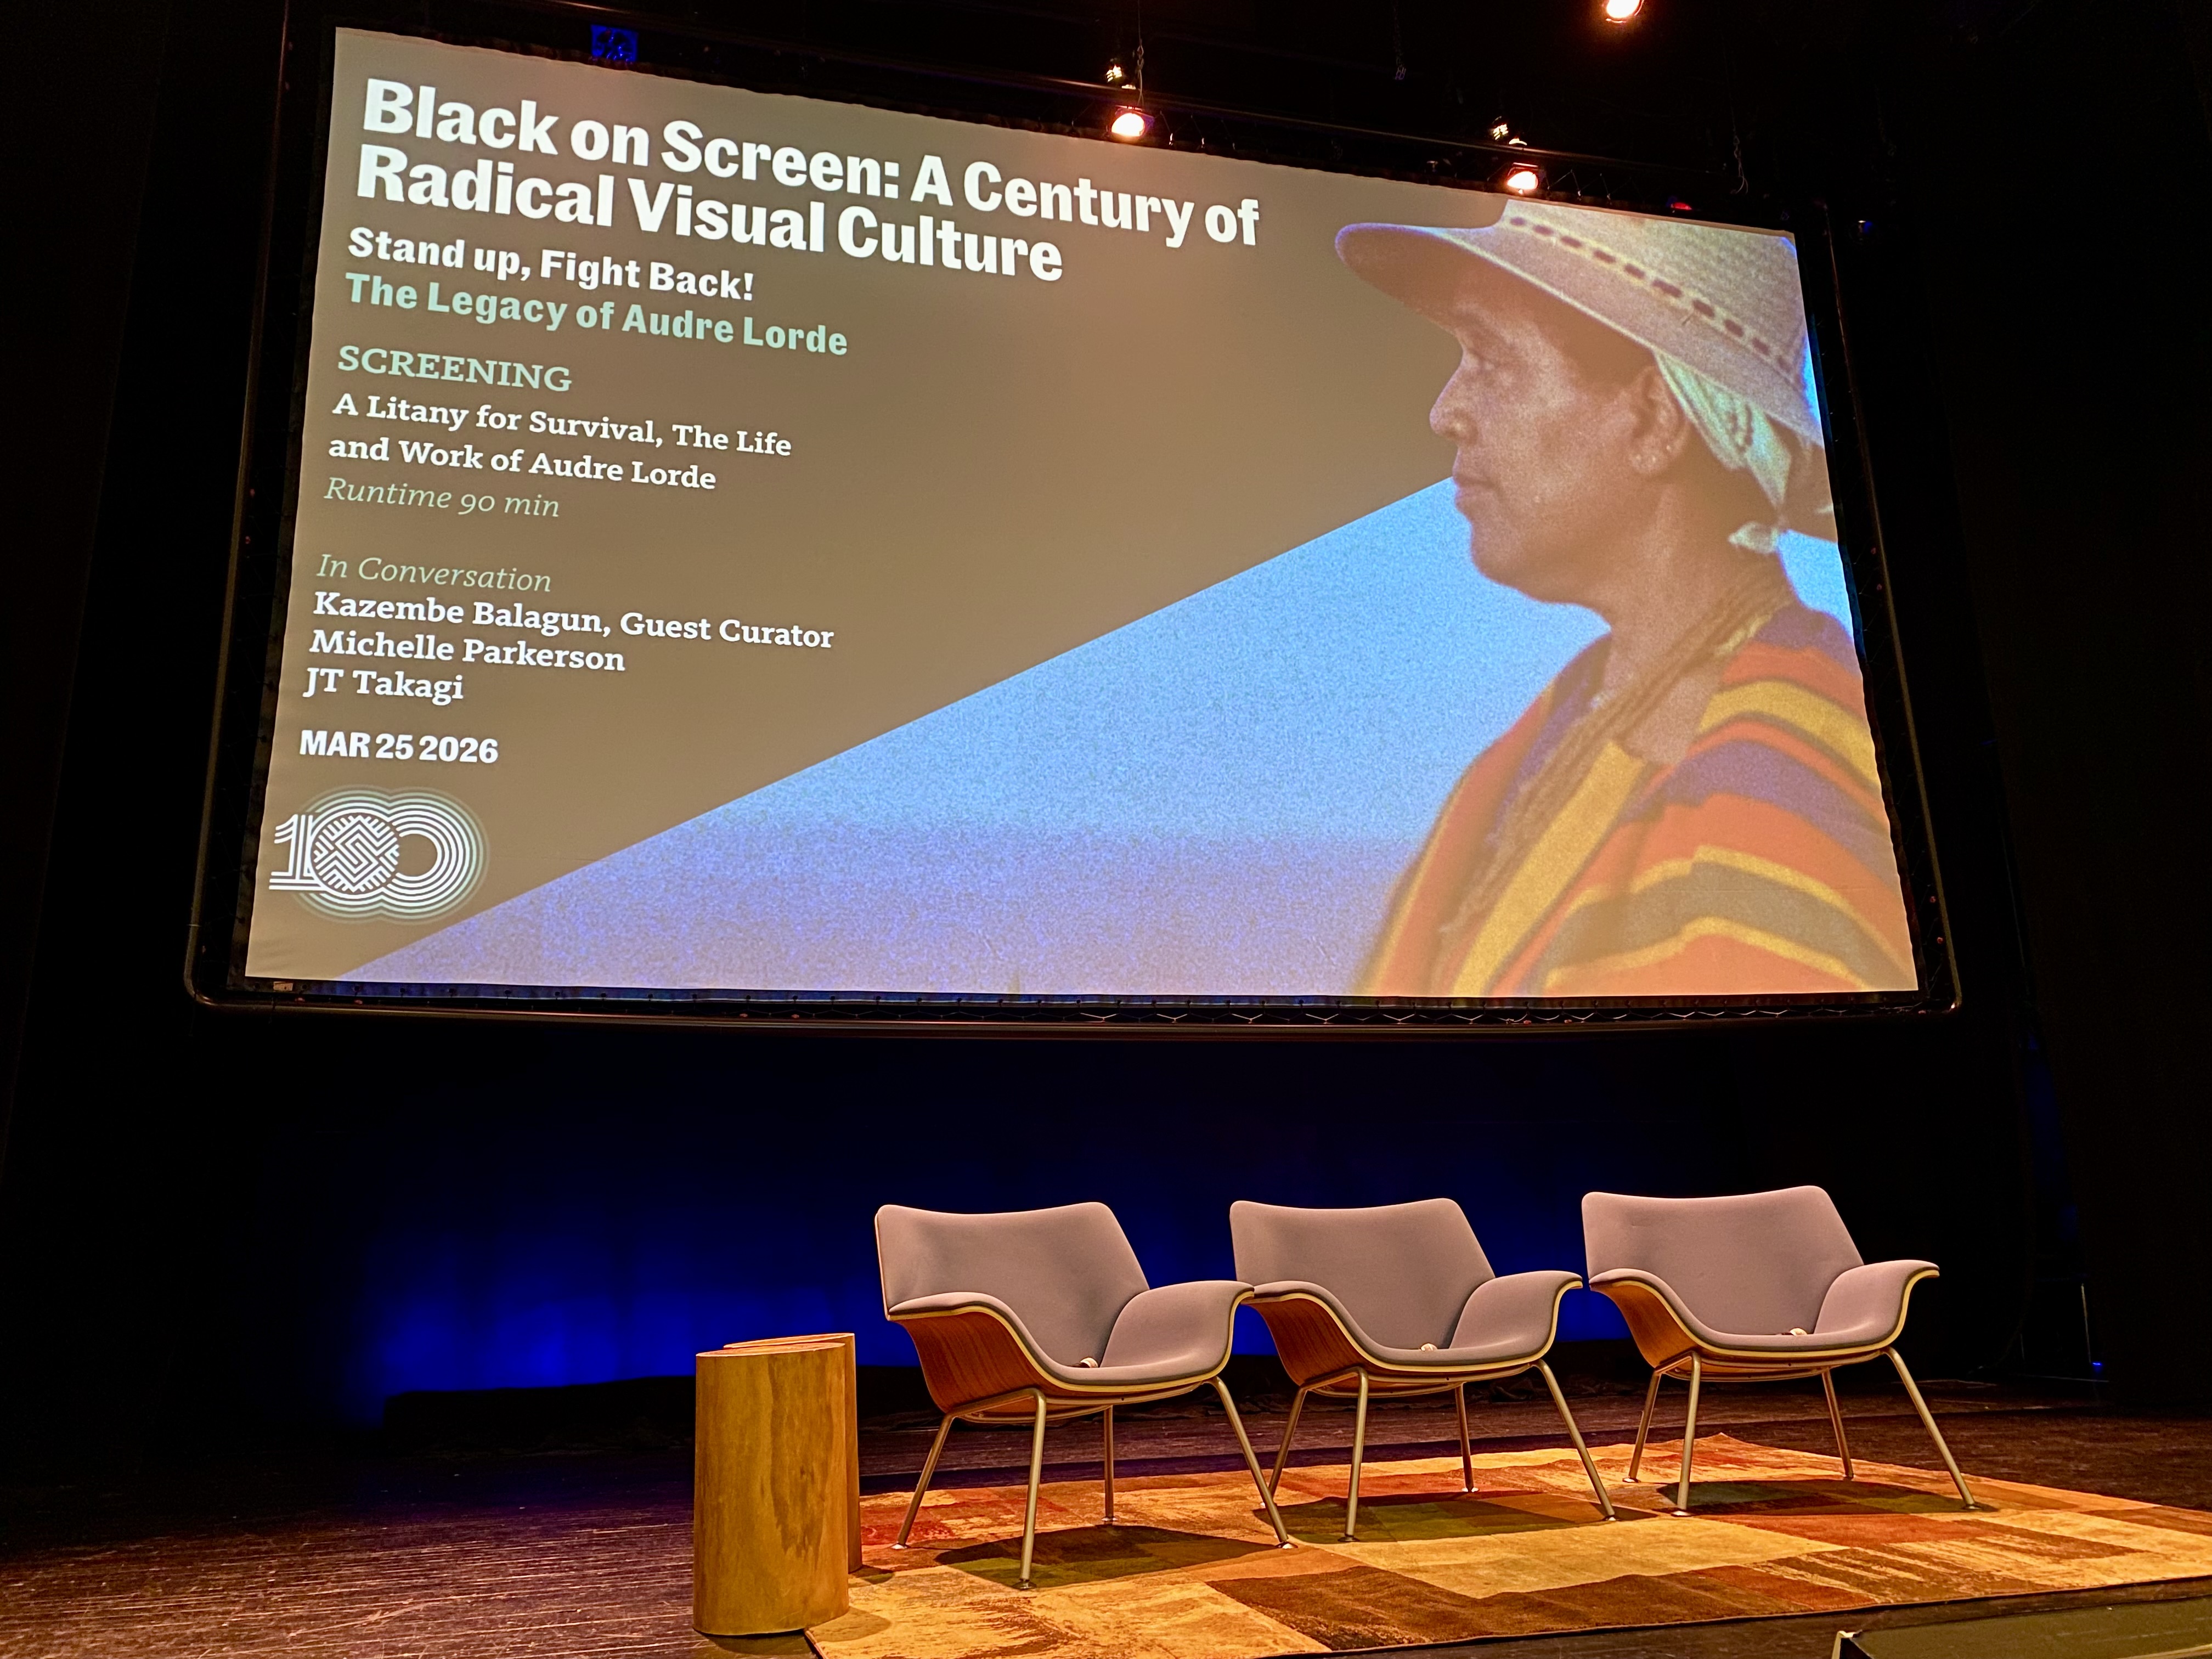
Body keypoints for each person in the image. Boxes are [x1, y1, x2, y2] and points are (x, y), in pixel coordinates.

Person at [1339, 201, 1916, 998]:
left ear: (1653, 420)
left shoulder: (1780, 786)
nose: (1447, 413)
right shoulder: (1579, 718)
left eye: (1493, 359)